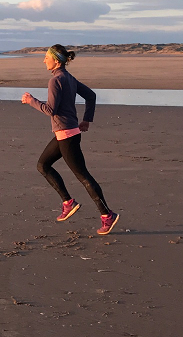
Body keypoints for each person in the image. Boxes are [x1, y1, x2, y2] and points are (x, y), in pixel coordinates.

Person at [21, 44, 119, 235]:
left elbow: (50, 110)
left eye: (46, 57)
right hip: (67, 133)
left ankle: (107, 215)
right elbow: (91, 96)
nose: (44, 60)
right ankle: (68, 202)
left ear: (56, 60)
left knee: (83, 176)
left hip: (67, 135)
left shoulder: (56, 80)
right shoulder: (68, 78)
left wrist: (30, 100)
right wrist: (86, 120)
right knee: (43, 165)